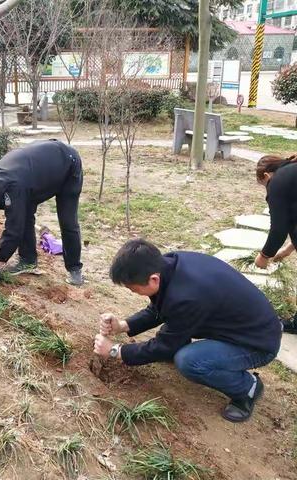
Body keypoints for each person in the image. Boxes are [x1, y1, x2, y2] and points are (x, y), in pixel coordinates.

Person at [93, 238, 281, 423]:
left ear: (153, 279)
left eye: (133, 289)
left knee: (189, 361)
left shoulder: (187, 296)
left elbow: (164, 345)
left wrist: (114, 350)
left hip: (257, 343)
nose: (133, 292)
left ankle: (248, 388)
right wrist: (123, 325)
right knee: (178, 330)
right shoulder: (167, 265)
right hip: (239, 325)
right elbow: (162, 307)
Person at [0, 139, 83, 285]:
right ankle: (28, 260)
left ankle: (75, 270)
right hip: (34, 174)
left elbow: (14, 229)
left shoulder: (11, 186)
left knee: (67, 221)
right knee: (24, 213)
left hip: (66, 164)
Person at [254, 154, 297, 334]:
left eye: (263, 185)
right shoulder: (292, 172)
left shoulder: (278, 181)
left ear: (265, 176)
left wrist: (264, 256)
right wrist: (288, 250)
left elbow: (279, 227)